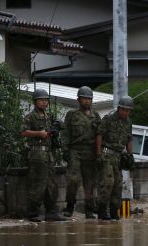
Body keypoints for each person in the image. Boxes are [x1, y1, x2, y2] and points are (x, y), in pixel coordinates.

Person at [20, 88, 67, 222]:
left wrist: (57, 126)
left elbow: (61, 125)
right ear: (35, 102)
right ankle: (32, 213)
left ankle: (51, 211)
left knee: (51, 183)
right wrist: (39, 133)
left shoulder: (49, 116)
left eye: (46, 100)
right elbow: (23, 132)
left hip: (49, 153)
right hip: (37, 153)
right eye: (42, 100)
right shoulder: (30, 116)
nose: (45, 103)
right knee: (38, 183)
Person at [62, 86, 101, 218]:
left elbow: (100, 135)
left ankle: (89, 209)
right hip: (75, 151)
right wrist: (65, 149)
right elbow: (66, 133)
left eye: (89, 99)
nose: (87, 101)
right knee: (72, 180)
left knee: (90, 183)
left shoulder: (96, 116)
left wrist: (99, 153)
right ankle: (69, 207)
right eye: (84, 99)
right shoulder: (72, 115)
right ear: (78, 100)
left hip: (90, 153)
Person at [95, 95, 134, 221]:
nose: (125, 112)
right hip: (107, 154)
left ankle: (114, 211)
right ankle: (102, 210)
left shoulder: (128, 122)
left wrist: (130, 155)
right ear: (118, 108)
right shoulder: (109, 119)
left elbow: (129, 139)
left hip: (118, 156)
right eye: (123, 110)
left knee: (117, 184)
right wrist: (99, 153)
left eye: (128, 110)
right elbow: (99, 134)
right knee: (107, 183)